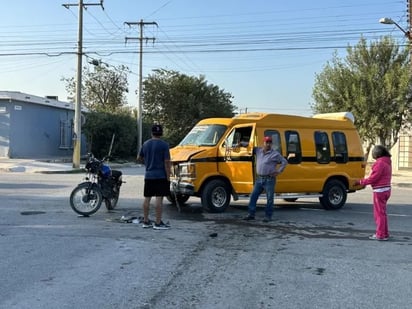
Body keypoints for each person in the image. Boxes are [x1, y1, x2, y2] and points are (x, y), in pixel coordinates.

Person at [244, 136, 288, 222]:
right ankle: (251, 214)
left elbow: (284, 162)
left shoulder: (275, 154)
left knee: (269, 198)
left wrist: (278, 171)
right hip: (259, 178)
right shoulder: (258, 150)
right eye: (266, 142)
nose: (268, 144)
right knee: (253, 196)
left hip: (269, 179)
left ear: (271, 144)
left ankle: (268, 216)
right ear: (263, 143)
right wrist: (241, 143)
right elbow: (249, 147)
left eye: (269, 143)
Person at [137, 124, 171, 230]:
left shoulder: (145, 144)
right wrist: (168, 175)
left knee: (147, 198)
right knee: (159, 199)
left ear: (152, 133)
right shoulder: (164, 145)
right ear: (161, 133)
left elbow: (139, 158)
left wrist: (146, 163)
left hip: (149, 175)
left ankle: (146, 221)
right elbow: (166, 162)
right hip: (160, 175)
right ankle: (157, 222)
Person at [355, 145, 392, 241]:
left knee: (379, 214)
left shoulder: (379, 163)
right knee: (383, 213)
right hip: (386, 189)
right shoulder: (387, 162)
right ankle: (385, 233)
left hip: (379, 191)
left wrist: (360, 182)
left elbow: (373, 178)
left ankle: (380, 234)